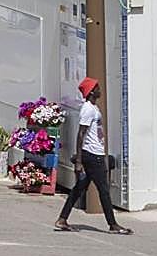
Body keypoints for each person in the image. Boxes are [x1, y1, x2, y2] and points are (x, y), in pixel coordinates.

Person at [54, 77, 132, 234]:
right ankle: (113, 225)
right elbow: (80, 134)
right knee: (103, 190)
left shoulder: (93, 108)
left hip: (95, 153)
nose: (99, 89)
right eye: (96, 87)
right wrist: (79, 161)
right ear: (91, 92)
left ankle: (62, 219)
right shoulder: (88, 110)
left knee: (79, 188)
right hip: (92, 155)